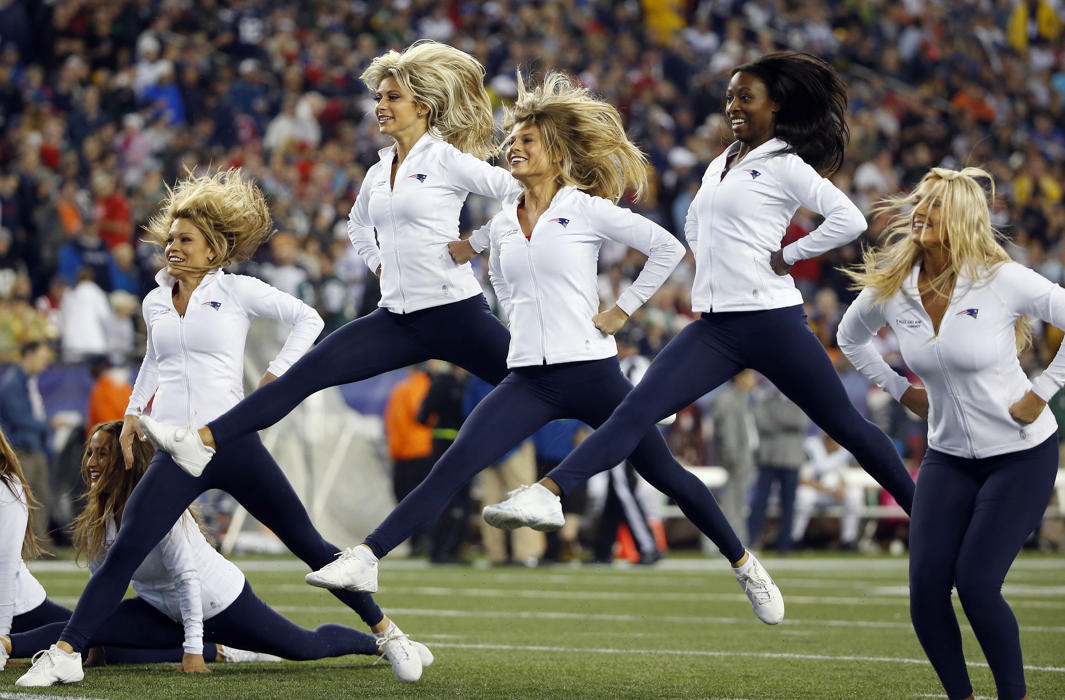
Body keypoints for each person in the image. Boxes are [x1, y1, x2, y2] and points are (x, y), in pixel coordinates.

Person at [308, 71, 783, 624]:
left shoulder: (583, 208)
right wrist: (449, 253)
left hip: (592, 371)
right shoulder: (502, 220)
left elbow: (666, 246)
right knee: (456, 461)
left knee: (667, 475)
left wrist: (621, 311)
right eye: (511, 140)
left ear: (555, 152)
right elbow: (489, 265)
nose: (514, 147)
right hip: (528, 378)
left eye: (527, 140)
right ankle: (367, 556)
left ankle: (746, 565)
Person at [15, 169, 426, 687]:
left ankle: (388, 634)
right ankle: (67, 652)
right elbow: (151, 362)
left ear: (213, 251)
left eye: (185, 240)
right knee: (126, 550)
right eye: (170, 239)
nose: (173, 247)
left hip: (232, 442)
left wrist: (277, 378)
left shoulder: (237, 291)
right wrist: (133, 416)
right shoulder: (154, 301)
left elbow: (310, 320)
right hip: (177, 451)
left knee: (311, 545)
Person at [485, 52, 915, 541]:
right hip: (715, 328)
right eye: (730, 96)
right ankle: (550, 493)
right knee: (635, 411)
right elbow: (695, 228)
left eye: (745, 97)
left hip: (772, 321)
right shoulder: (719, 165)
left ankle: (923, 515)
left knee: (848, 428)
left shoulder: (785, 164)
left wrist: (790, 253)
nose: (733, 105)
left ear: (775, 107)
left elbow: (849, 219)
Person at [140, 40, 516, 490]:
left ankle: (585, 464)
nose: (380, 105)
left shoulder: (446, 158)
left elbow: (522, 194)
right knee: (300, 376)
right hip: (396, 318)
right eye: (378, 97)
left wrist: (474, 242)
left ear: (424, 106)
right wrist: (378, 264)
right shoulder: (379, 171)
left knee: (544, 385)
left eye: (392, 97)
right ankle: (200, 440)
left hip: (455, 313)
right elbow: (357, 226)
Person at [837, 166, 1065, 700]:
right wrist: (899, 389)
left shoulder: (1001, 279)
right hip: (948, 456)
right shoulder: (894, 286)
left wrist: (1042, 390)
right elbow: (851, 339)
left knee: (978, 585)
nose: (920, 211)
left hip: (1021, 455)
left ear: (962, 216)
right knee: (925, 594)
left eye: (935, 204)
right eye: (919, 201)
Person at [7, 421, 432, 682]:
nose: (91, 461)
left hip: (220, 603)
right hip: (160, 609)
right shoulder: (101, 512)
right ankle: (6, 646)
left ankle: (380, 644)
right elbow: (102, 578)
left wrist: (193, 651)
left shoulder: (157, 506)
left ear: (127, 460)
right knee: (84, 631)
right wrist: (93, 636)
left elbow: (188, 580)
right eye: (89, 453)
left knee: (305, 647)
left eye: (102, 453)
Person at [0, 341, 56, 544]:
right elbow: (19, 418)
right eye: (42, 360)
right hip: (21, 450)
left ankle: (39, 543)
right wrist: (48, 424)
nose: (44, 365)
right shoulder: (13, 383)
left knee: (41, 497)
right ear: (29, 355)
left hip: (34, 448)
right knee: (23, 500)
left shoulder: (28, 382)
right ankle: (24, 545)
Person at [747, 385, 809, 553]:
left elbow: (801, 422)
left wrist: (775, 419)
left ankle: (784, 544)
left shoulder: (799, 396)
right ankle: (751, 540)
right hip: (768, 458)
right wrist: (784, 422)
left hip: (791, 459)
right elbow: (760, 422)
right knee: (760, 501)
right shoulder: (766, 397)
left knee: (788, 504)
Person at [790, 434, 863, 550]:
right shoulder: (811, 448)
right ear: (828, 439)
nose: (839, 445)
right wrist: (828, 490)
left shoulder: (841, 452)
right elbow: (803, 480)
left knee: (854, 494)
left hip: (831, 494)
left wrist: (841, 488)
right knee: (804, 495)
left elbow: (843, 477)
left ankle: (848, 540)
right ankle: (794, 538)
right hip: (815, 492)